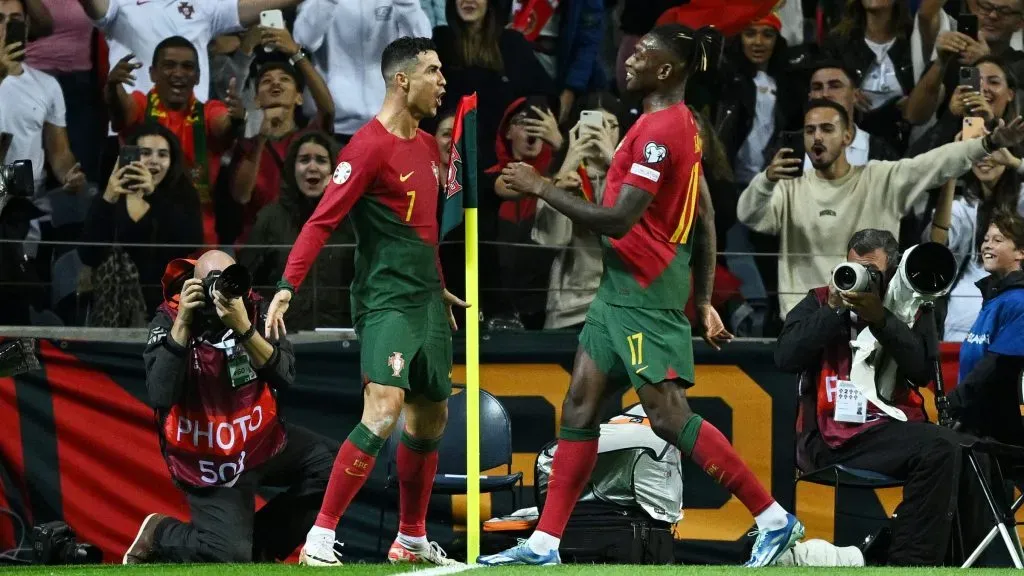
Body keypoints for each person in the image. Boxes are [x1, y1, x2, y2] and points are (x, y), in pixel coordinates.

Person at [481, 24, 803, 568]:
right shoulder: (681, 127)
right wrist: (702, 301)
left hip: (644, 294)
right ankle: (544, 544)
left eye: (642, 56)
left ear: (668, 70)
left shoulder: (661, 133)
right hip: (619, 292)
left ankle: (773, 519)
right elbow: (701, 218)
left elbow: (619, 219)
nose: (628, 60)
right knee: (579, 406)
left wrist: (542, 188)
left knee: (669, 418)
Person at [263, 36, 464, 567]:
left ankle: (412, 539)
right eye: (434, 71)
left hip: (425, 302)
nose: (443, 82)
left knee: (430, 420)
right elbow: (322, 221)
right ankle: (320, 538)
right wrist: (287, 285)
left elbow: (423, 231)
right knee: (383, 409)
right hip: (386, 302)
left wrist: (438, 280)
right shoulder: (366, 148)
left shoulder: (426, 146)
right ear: (403, 80)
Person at [774, 228, 987, 566]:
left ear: (892, 271)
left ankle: (960, 561)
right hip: (834, 437)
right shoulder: (818, 300)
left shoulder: (911, 305)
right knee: (940, 447)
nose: (861, 278)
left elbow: (921, 371)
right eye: (853, 267)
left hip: (891, 428)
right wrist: (832, 310)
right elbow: (785, 357)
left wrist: (882, 319)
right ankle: (909, 565)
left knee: (969, 451)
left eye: (872, 271)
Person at [128, 249, 336, 564]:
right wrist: (184, 322)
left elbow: (285, 376)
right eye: (210, 285)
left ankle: (259, 550)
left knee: (336, 469)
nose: (219, 293)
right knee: (226, 557)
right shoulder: (169, 316)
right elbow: (159, 394)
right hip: (209, 461)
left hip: (259, 443)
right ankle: (160, 533)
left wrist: (244, 328)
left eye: (227, 282)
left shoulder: (254, 308)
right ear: (192, 286)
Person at [737, 98, 1024, 318]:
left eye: (827, 128)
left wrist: (989, 142)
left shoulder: (880, 178)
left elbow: (938, 162)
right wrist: (766, 180)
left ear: (848, 136)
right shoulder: (790, 188)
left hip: (870, 321)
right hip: (806, 322)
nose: (817, 138)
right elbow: (748, 215)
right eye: (810, 130)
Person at [105, 36, 244, 245]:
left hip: (195, 236)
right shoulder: (141, 105)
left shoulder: (208, 112)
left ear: (198, 77)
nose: (178, 73)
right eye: (169, 65)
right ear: (152, 73)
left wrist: (235, 120)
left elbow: (223, 124)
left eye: (187, 67)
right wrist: (112, 88)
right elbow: (121, 110)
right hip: (140, 230)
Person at [78, 124, 203, 319]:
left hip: (168, 304)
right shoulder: (112, 196)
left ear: (172, 160)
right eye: (145, 153)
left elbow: (191, 240)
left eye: (162, 155)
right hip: (113, 306)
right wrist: (108, 198)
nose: (154, 162)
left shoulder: (182, 195)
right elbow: (88, 255)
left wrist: (153, 194)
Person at [238, 131, 354, 330]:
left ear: (334, 170)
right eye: (304, 160)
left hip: (340, 334)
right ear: (292, 168)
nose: (312, 167)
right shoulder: (270, 218)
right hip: (283, 335)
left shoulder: (351, 220)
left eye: (321, 160)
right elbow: (247, 281)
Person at [949, 209, 1024, 446]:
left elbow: (997, 366)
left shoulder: (1019, 302)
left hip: (1002, 431)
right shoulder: (993, 299)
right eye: (985, 239)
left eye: (998, 240)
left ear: (1021, 252)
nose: (987, 246)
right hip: (977, 423)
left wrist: (954, 402)